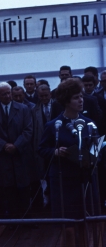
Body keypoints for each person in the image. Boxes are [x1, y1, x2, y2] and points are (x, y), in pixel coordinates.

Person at [38, 78, 100, 247]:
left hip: (84, 181)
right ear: (66, 101)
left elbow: (97, 150)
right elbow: (42, 149)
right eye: (75, 97)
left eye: (81, 96)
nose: (80, 100)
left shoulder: (89, 124)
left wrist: (93, 158)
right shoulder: (54, 125)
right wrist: (55, 152)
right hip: (63, 182)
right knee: (67, 228)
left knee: (83, 225)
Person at [0, 82, 33, 218]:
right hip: (2, 156)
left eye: (8, 93)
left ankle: (27, 218)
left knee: (24, 187)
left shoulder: (23, 109)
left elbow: (28, 130)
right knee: (7, 189)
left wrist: (16, 145)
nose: (7, 96)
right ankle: (12, 219)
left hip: (20, 154)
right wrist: (4, 145)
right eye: (3, 94)